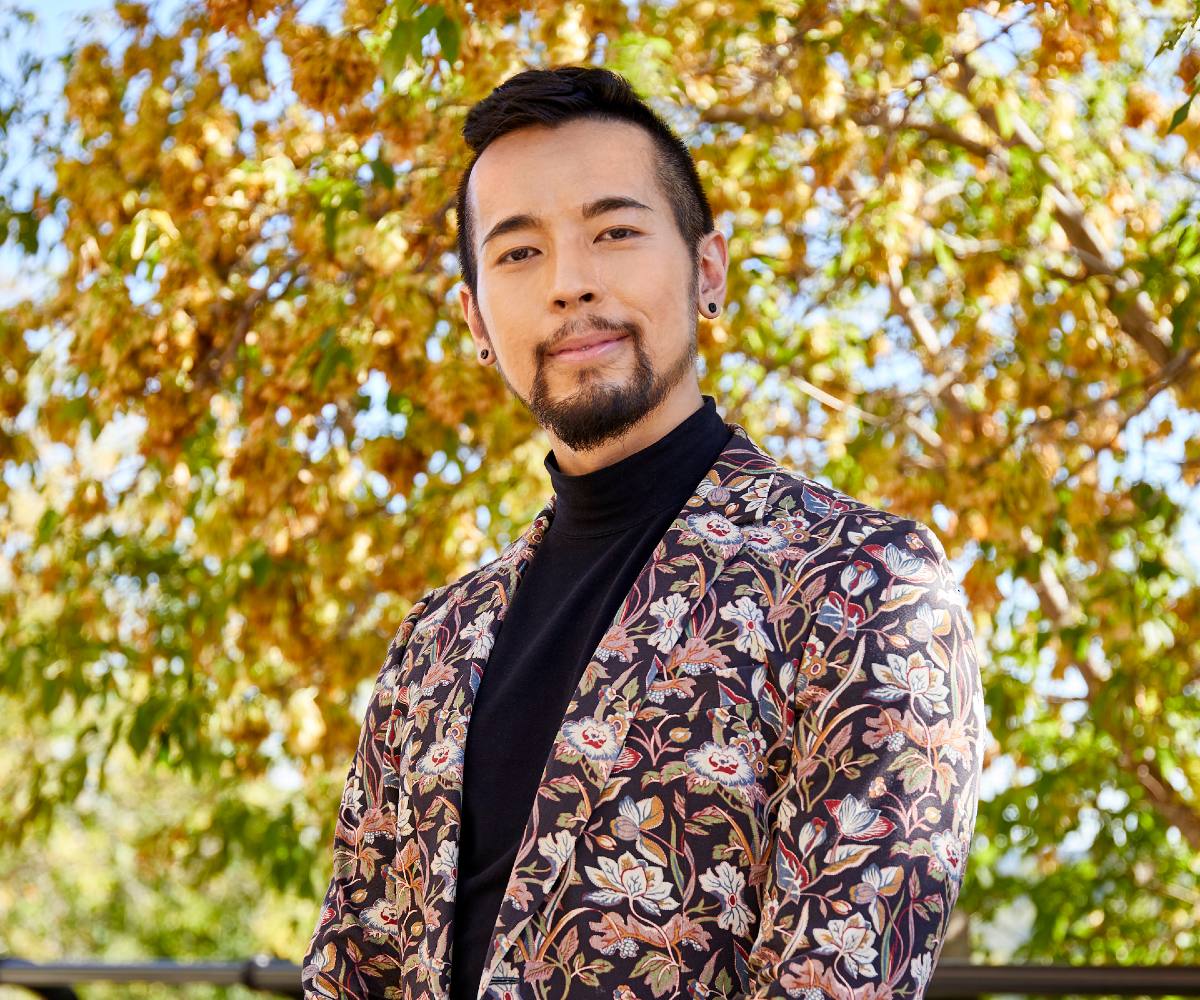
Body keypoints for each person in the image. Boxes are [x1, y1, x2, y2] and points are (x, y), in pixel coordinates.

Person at [303, 65, 986, 1000]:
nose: (570, 284)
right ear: (474, 321)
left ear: (708, 268)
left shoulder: (865, 586)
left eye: (615, 233)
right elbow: (353, 971)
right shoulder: (433, 644)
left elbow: (841, 980)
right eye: (517, 254)